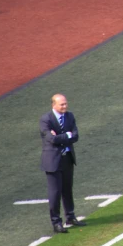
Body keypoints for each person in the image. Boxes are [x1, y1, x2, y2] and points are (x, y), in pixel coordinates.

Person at [39, 94, 86, 234]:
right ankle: (56, 222)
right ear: (54, 105)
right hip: (53, 161)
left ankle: (70, 217)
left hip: (67, 159)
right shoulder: (45, 119)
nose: (65, 106)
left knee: (67, 189)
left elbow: (76, 136)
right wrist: (67, 135)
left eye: (66, 104)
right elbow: (51, 139)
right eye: (62, 104)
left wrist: (62, 136)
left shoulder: (70, 116)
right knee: (55, 192)